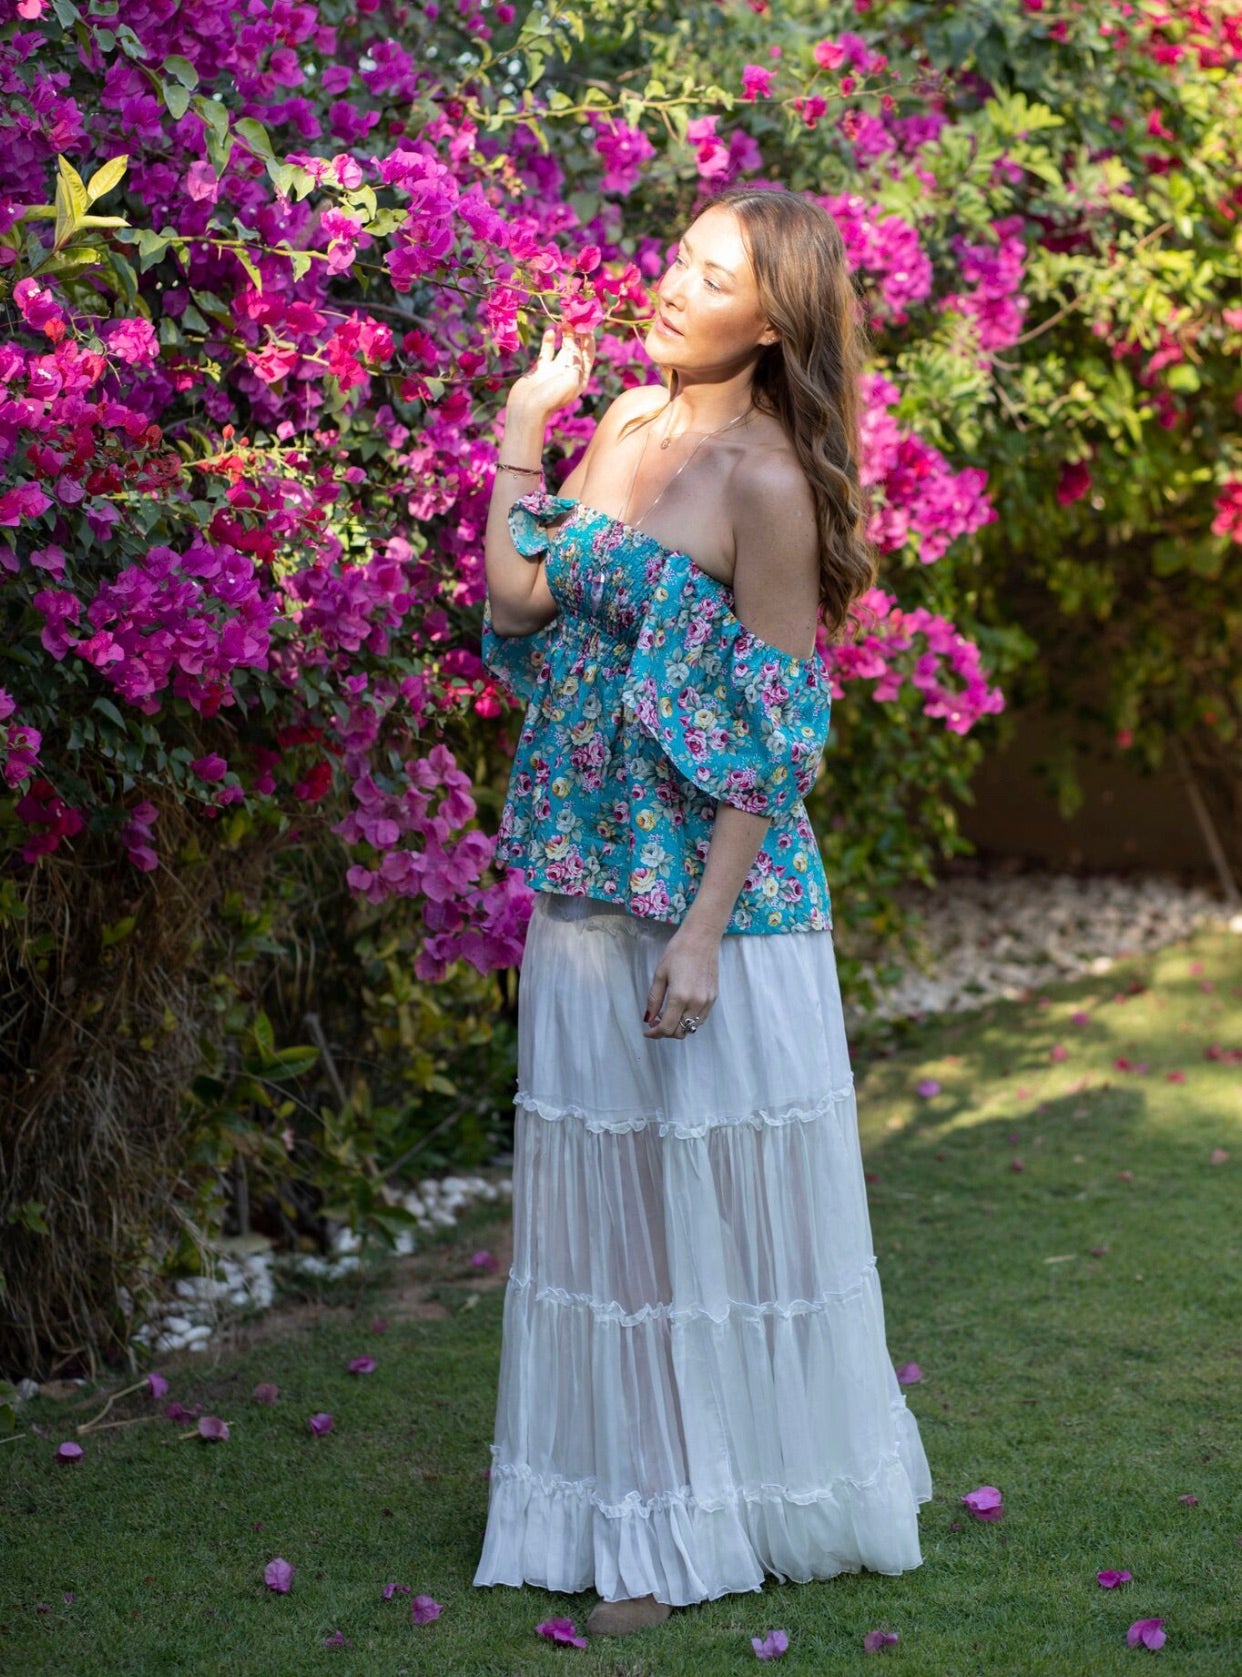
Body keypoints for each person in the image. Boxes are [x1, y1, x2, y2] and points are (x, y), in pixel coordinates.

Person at [472, 186, 932, 1638]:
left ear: (772, 317)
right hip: (583, 870)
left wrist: (701, 932)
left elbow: (776, 729)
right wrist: (518, 435)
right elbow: (517, 596)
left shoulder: (767, 486)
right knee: (603, 1218)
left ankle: (684, 1531)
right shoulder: (621, 422)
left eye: (711, 274)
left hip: (704, 902)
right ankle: (611, 1503)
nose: (671, 285)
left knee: (693, 1221)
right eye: (675, 257)